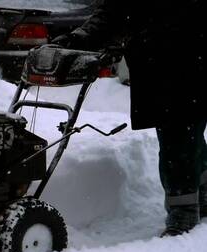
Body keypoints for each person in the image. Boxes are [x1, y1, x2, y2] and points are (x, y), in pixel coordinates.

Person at [52, 0, 206, 236]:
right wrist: (80, 38)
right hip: (158, 62)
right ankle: (200, 193)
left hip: (190, 59)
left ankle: (183, 210)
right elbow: (113, 11)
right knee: (182, 135)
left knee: (179, 137)